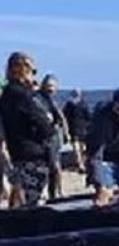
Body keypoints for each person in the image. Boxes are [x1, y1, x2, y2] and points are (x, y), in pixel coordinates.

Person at [0, 52, 55, 207]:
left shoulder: (5, 96)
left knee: (19, 198)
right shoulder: (24, 96)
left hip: (16, 153)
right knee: (33, 202)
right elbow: (43, 124)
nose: (34, 76)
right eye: (33, 71)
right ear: (24, 70)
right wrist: (49, 124)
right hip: (33, 154)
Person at [34, 75, 68, 201]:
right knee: (47, 166)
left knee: (55, 165)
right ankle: (47, 191)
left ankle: (56, 191)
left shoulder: (52, 99)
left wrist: (66, 133)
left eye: (53, 87)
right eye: (49, 86)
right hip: (43, 136)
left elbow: (61, 116)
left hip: (53, 136)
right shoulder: (37, 98)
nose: (51, 89)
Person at [63, 89, 91, 173]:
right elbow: (89, 116)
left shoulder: (69, 104)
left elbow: (64, 116)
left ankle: (80, 164)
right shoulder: (84, 104)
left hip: (73, 128)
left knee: (76, 148)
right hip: (83, 129)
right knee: (82, 147)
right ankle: (83, 163)